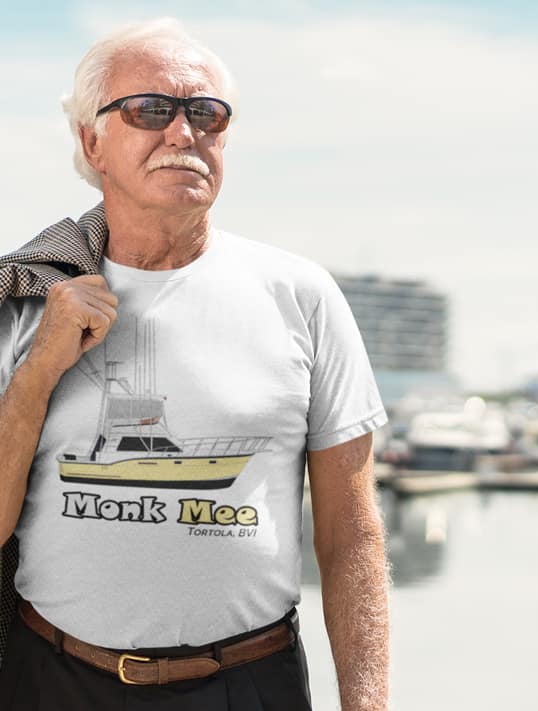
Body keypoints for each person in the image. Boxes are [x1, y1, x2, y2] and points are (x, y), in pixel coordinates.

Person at [0, 18, 389, 711]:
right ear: (92, 140)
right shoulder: (26, 300)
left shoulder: (300, 295)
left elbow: (350, 532)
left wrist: (368, 704)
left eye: (205, 113)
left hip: (249, 682)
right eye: (151, 110)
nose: (183, 134)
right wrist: (36, 374)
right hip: (51, 679)